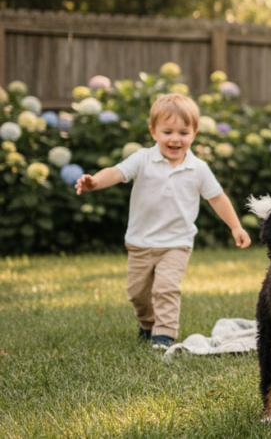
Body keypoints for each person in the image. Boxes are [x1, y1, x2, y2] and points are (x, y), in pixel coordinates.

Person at [75, 93, 251, 348]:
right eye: (167, 131)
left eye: (183, 132)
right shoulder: (142, 158)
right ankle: (147, 324)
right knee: (137, 294)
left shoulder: (198, 168)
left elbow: (217, 198)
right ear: (153, 132)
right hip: (140, 241)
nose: (175, 139)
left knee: (166, 287)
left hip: (177, 243)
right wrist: (95, 182)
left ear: (194, 133)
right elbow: (116, 172)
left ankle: (165, 334)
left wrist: (236, 226)